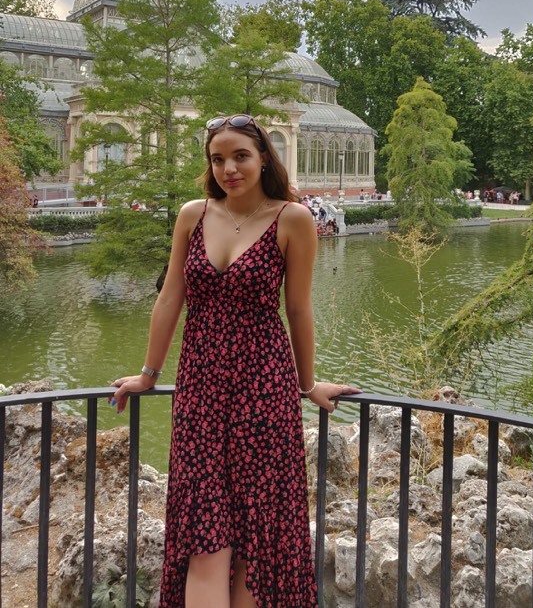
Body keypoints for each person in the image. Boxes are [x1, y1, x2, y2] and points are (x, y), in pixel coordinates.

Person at [111, 114, 359, 608]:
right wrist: (147, 374)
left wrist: (307, 385)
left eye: (240, 156)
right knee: (206, 542)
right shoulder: (193, 215)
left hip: (264, 390)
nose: (229, 168)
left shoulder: (293, 219)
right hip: (200, 391)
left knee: (255, 543)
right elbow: (168, 301)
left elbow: (298, 309)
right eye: (218, 159)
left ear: (264, 157)